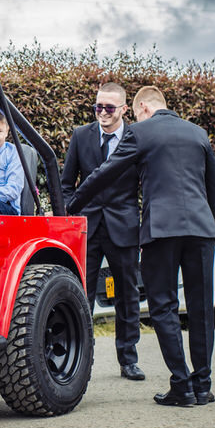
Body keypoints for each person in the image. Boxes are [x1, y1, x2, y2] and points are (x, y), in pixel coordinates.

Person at [67, 86, 215, 408]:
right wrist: (213, 230)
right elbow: (214, 189)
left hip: (161, 232)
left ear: (142, 108)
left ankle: (181, 385)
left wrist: (71, 205)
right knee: (201, 308)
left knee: (164, 307)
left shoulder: (140, 132)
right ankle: (202, 385)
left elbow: (106, 173)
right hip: (201, 231)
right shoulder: (198, 133)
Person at [60, 83, 144, 381]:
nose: (103, 113)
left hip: (124, 226)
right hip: (88, 227)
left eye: (109, 107)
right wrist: (73, 215)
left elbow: (145, 184)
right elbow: (66, 183)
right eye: (98, 107)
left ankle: (128, 359)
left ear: (123, 109)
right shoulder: (81, 135)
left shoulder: (137, 138)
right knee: (81, 294)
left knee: (127, 295)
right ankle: (80, 361)